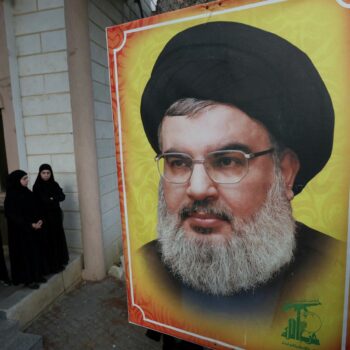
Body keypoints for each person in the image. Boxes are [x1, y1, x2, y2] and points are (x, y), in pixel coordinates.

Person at [133, 22, 346, 347]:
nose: (198, 188)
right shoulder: (148, 267)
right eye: (178, 162)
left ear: (285, 172)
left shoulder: (336, 277)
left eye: (227, 161)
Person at [4, 170, 46, 289]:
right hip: (20, 233)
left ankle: (37, 275)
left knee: (35, 253)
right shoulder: (11, 197)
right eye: (24, 179)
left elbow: (36, 207)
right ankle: (27, 279)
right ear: (17, 181)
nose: (27, 180)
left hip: (32, 230)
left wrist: (39, 220)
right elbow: (12, 216)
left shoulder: (27, 192)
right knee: (24, 256)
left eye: (27, 178)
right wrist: (30, 225)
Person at [33, 164, 69, 274]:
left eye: (48, 173)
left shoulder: (54, 184)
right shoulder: (37, 186)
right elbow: (44, 201)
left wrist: (52, 198)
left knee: (58, 237)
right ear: (40, 174)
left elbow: (62, 196)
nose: (46, 175)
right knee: (50, 239)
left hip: (56, 216)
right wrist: (54, 198)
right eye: (43, 173)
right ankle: (53, 266)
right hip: (45, 217)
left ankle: (61, 260)